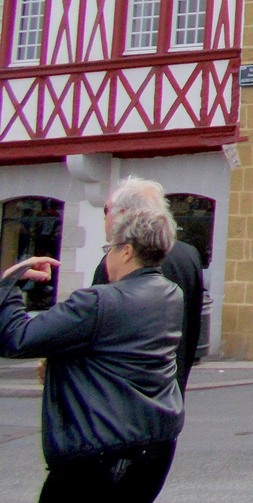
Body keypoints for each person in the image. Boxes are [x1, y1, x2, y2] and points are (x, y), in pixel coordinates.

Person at [1, 199, 183, 501]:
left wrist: (9, 284)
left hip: (100, 453)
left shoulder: (97, 302)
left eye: (108, 249)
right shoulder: (169, 292)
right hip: (155, 445)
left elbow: (17, 338)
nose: (106, 257)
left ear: (126, 251)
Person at [89, 176, 206, 394]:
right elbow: (192, 329)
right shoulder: (188, 255)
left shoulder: (117, 262)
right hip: (170, 386)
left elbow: (97, 330)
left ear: (123, 216)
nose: (105, 219)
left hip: (126, 391)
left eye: (107, 211)